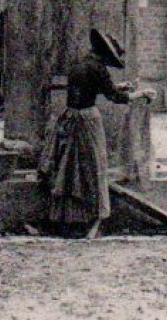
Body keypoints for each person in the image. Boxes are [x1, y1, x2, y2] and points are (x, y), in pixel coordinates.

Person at [38, 28, 151, 240]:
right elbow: (115, 97)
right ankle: (95, 221)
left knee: (70, 169)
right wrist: (141, 94)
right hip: (88, 122)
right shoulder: (98, 69)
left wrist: (119, 86)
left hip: (71, 117)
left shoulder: (79, 64)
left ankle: (66, 221)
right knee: (95, 168)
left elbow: (93, 87)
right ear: (105, 55)